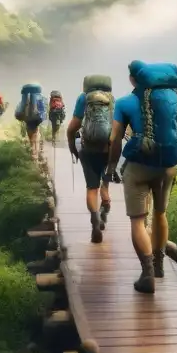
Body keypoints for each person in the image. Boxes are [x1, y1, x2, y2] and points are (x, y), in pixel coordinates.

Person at [104, 60, 177, 294]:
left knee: (138, 221)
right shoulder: (175, 100)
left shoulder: (125, 103)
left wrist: (111, 168)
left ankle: (147, 274)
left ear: (133, 79)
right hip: (168, 167)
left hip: (139, 168)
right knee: (160, 214)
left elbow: (115, 139)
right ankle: (160, 266)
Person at [67, 75, 114, 243]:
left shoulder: (83, 98)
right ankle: (105, 202)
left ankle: (95, 223)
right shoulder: (112, 99)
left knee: (91, 188)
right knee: (104, 183)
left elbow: (73, 127)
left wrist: (72, 147)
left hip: (88, 149)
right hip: (108, 149)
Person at [15, 83, 46, 160]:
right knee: (35, 135)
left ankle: (34, 153)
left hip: (27, 120)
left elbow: (18, 112)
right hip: (36, 119)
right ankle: (35, 154)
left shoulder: (23, 101)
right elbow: (43, 111)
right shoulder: (40, 99)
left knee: (32, 136)